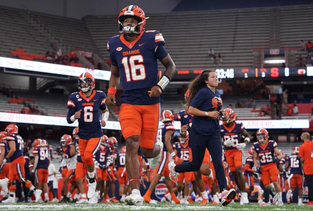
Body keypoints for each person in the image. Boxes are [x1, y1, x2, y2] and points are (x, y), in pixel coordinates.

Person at [106, 5, 176, 205]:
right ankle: (135, 192)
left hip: (151, 101)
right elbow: (115, 73)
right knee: (130, 142)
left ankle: (157, 149)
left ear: (141, 23)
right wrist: (111, 91)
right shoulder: (114, 44)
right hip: (128, 100)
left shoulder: (151, 39)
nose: (129, 23)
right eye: (126, 20)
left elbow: (171, 66)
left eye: (133, 20)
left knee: (147, 150)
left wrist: (160, 86)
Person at [168, 70, 236, 206]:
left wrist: (222, 115)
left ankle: (223, 191)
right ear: (206, 80)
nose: (216, 79)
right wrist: (208, 114)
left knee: (218, 161)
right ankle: (175, 168)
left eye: (217, 76)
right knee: (196, 165)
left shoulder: (216, 93)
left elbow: (214, 110)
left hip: (214, 132)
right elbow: (192, 109)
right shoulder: (203, 92)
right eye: (213, 77)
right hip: (199, 132)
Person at [66, 71, 109, 203]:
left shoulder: (100, 95)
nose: (84, 84)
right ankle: (89, 190)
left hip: (95, 133)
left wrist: (104, 119)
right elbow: (69, 119)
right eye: (82, 82)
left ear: (92, 83)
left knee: (88, 156)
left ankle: (91, 181)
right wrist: (75, 116)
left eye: (86, 82)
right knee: (85, 159)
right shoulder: (74, 97)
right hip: (82, 134)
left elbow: (105, 110)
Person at [220, 108, 250, 205]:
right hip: (228, 152)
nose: (224, 116)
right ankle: (241, 193)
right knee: (234, 174)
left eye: (226, 115)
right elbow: (216, 140)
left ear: (231, 116)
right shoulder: (221, 127)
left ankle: (244, 194)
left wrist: (244, 144)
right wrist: (224, 143)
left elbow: (247, 136)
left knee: (238, 170)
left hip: (237, 150)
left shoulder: (238, 126)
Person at [2, 124, 35, 203]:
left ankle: (34, 190)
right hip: (16, 160)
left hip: (17, 160)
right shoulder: (18, 137)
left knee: (21, 178)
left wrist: (6, 158)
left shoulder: (11, 137)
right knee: (11, 180)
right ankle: (11, 197)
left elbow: (13, 149)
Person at [253, 128, 283, 206]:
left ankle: (280, 200)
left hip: (271, 165)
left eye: (261, 135)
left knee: (275, 181)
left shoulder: (271, 143)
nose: (260, 137)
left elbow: (280, 154)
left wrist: (277, 159)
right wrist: (257, 167)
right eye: (258, 135)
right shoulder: (256, 145)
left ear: (266, 135)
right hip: (263, 167)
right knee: (266, 186)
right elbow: (255, 158)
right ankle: (273, 192)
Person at [298, 132, 313, 205]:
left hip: (308, 168)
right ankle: (310, 200)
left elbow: (302, 159)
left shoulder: (302, 146)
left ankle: (312, 200)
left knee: (310, 185)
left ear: (304, 137)